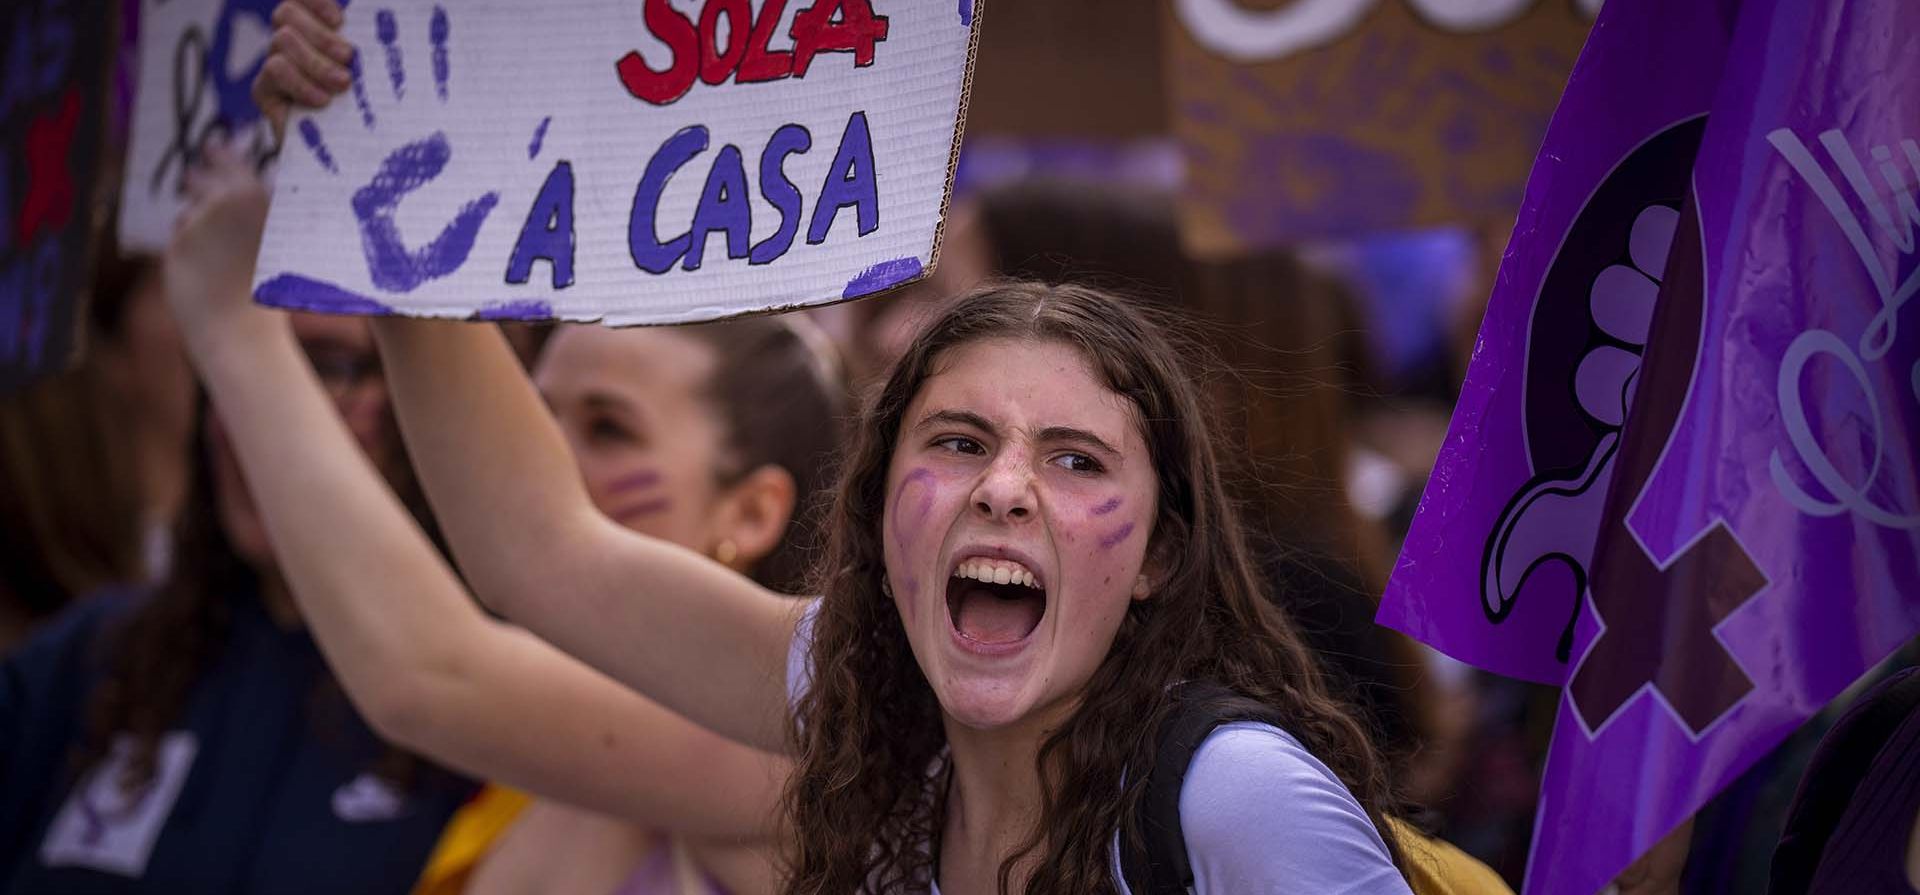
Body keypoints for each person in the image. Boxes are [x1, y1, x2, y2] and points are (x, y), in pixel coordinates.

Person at [157, 142, 840, 893]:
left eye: (609, 428)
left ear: (751, 510)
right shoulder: (558, 748)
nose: (547, 464)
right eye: (538, 419)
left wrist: (238, 326)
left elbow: (431, 672)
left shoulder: (787, 740)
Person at [0, 290, 471, 892]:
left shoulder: (497, 716)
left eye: (324, 365)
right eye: (234, 362)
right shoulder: (92, 660)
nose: (258, 408)